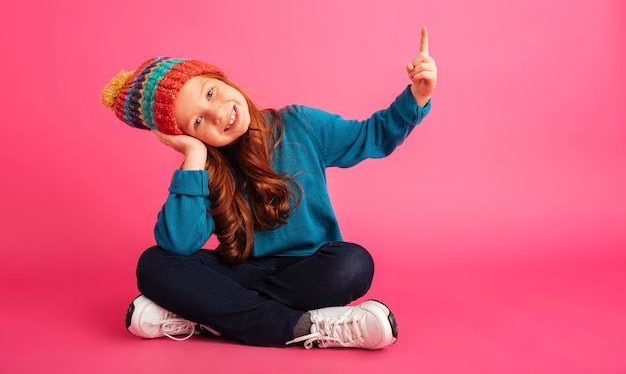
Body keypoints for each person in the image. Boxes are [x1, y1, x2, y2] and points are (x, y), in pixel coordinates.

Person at [100, 27, 437, 349]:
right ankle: (303, 327)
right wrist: (195, 155)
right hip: (241, 271)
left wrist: (416, 97)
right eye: (198, 122)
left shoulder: (300, 124)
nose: (217, 113)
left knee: (353, 264)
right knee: (154, 263)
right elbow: (178, 244)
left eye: (210, 93)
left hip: (309, 270)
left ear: (219, 79)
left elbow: (369, 136)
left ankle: (208, 317)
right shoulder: (205, 170)